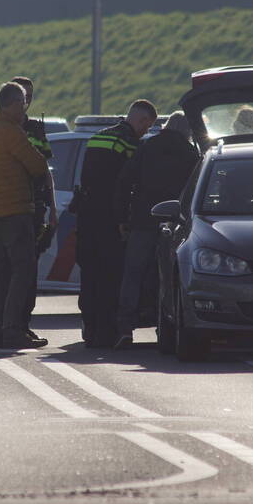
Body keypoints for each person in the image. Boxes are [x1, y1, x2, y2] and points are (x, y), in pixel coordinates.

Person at [74, 99, 157, 348]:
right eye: (147, 126)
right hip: (110, 219)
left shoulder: (97, 137)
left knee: (89, 275)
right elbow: (129, 184)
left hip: (87, 217)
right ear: (141, 120)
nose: (145, 131)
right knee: (111, 276)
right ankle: (106, 332)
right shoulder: (130, 144)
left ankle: (89, 329)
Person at [113, 111, 199, 348]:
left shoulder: (146, 147)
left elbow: (124, 181)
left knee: (132, 274)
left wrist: (122, 217)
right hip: (174, 225)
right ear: (187, 131)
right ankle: (164, 329)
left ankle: (124, 328)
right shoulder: (191, 153)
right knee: (167, 278)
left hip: (142, 222)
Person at [0, 82, 51, 349]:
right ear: (11, 105)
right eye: (22, 103)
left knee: (1, 274)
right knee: (23, 271)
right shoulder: (12, 133)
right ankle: (13, 330)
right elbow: (36, 165)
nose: (25, 109)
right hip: (16, 210)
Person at [9, 76, 58, 337]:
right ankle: (9, 325)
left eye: (29, 97)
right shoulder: (4, 127)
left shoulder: (36, 129)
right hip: (11, 205)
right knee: (12, 270)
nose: (25, 102)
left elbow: (46, 171)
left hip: (35, 208)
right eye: (21, 97)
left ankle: (23, 324)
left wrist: (53, 207)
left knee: (29, 270)